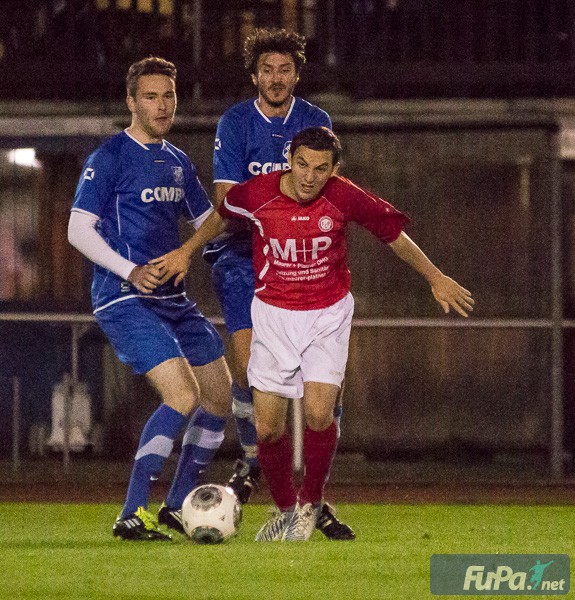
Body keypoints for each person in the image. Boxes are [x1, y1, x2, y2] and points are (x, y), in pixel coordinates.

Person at [151, 126, 475, 541]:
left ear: (333, 169)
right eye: (302, 164)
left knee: (321, 413)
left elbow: (392, 234)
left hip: (327, 315)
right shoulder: (258, 193)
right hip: (273, 315)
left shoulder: (343, 195)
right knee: (268, 428)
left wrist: (435, 276)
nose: (309, 176)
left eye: (320, 168)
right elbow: (222, 215)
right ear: (290, 159)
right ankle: (286, 510)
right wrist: (186, 250)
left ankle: (309, 504)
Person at [68, 57, 232, 541]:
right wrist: (129, 269)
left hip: (173, 298)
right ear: (131, 102)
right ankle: (131, 512)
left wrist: (246, 244)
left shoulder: (179, 162)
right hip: (124, 295)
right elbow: (78, 229)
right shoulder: (109, 157)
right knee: (182, 395)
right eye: (151, 97)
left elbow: (208, 225)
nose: (162, 106)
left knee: (219, 398)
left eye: (169, 96)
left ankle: (176, 504)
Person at [202, 26, 354, 540]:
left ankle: (314, 501)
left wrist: (294, 218)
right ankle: (252, 463)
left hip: (304, 261)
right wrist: (279, 209)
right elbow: (228, 198)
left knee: (320, 397)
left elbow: (326, 192)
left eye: (285, 69)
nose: (276, 77)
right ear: (254, 75)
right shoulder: (235, 121)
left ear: (296, 74)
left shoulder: (316, 122)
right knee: (251, 374)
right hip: (244, 257)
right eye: (267, 69)